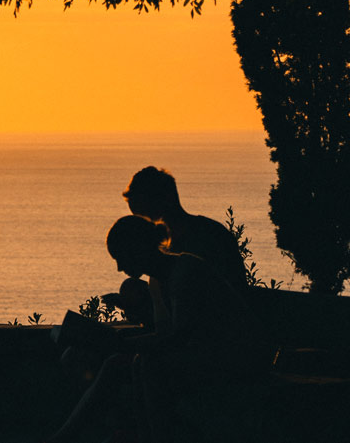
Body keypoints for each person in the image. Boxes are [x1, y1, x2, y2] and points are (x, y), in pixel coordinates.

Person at [48, 216, 268, 443]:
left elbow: (178, 339)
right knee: (113, 361)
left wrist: (124, 344)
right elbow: (165, 332)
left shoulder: (185, 273)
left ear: (137, 248)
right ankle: (86, 434)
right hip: (206, 352)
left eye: (120, 257)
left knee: (146, 364)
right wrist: (122, 337)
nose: (119, 267)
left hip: (234, 357)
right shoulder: (159, 279)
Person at [124, 167, 248, 289]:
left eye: (143, 215)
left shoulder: (211, 236)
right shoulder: (162, 244)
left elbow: (234, 289)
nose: (141, 226)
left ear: (162, 200)